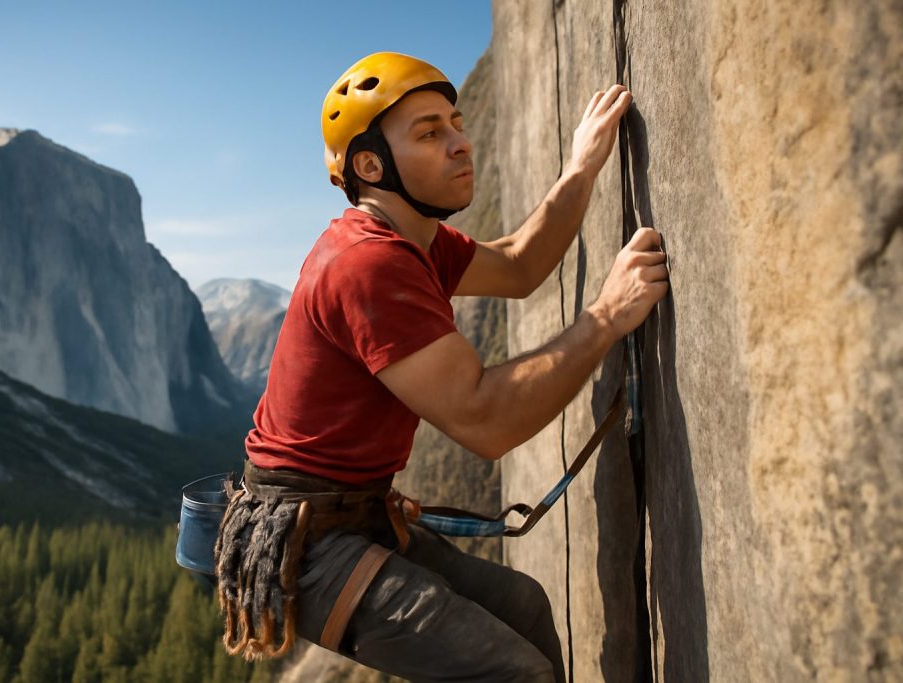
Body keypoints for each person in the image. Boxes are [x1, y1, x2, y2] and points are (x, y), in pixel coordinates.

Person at [215, 51, 668, 682]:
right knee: (514, 672)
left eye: (456, 124)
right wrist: (606, 317)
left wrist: (583, 166)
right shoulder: (368, 264)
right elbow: (484, 420)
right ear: (371, 166)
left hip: (351, 515)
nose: (461, 143)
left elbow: (517, 263)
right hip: (311, 545)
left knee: (523, 610)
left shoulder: (418, 241)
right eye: (430, 133)